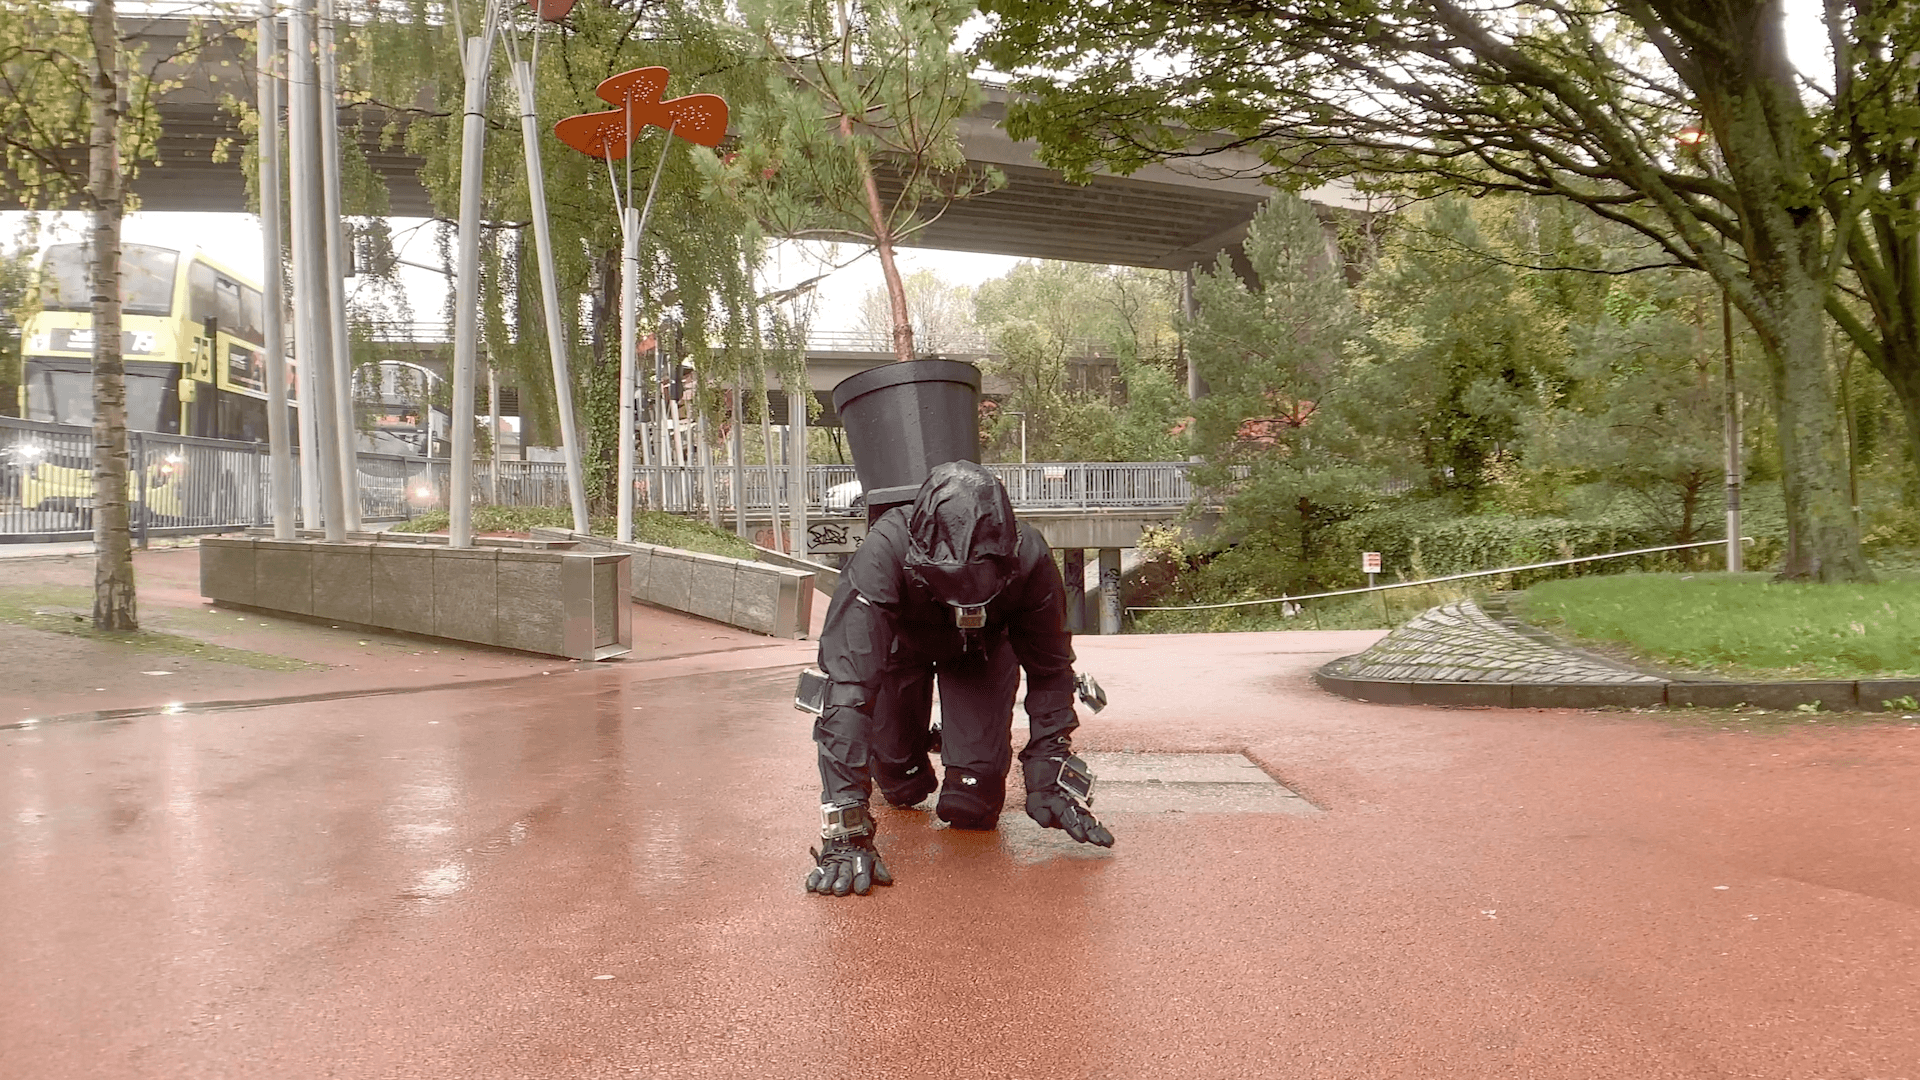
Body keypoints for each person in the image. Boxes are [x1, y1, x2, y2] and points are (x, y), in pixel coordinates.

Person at [804, 460, 1113, 898]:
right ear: (918, 552)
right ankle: (915, 745)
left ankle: (958, 740)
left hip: (983, 652)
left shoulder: (1031, 556)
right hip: (901, 650)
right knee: (902, 785)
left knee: (972, 805)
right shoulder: (885, 549)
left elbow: (1051, 671)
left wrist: (1048, 769)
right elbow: (846, 688)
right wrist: (846, 826)